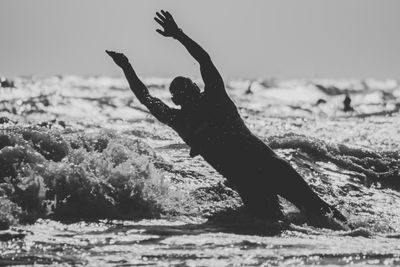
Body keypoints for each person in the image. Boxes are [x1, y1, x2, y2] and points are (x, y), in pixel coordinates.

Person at [106, 10, 347, 222]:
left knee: (320, 211)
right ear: (177, 101)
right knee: (273, 227)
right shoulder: (180, 120)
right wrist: (127, 68)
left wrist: (178, 34)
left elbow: (204, 60)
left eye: (188, 87)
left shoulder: (216, 98)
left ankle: (360, 235)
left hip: (270, 166)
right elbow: (146, 98)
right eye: (179, 93)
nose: (186, 93)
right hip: (248, 184)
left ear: (196, 88)